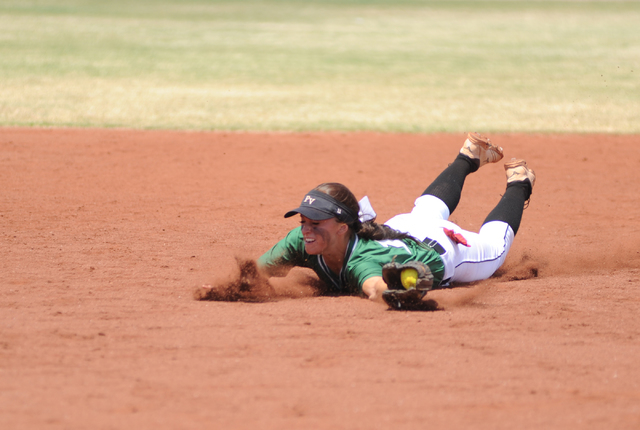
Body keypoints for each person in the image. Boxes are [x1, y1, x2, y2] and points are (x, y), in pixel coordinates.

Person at [257, 133, 535, 303]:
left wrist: (393, 293)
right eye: (303, 221)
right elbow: (257, 272)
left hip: (446, 249)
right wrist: (224, 288)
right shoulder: (300, 239)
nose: (306, 229)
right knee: (427, 209)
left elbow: (374, 287)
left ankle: (520, 181)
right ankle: (468, 156)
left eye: (316, 223)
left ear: (343, 228)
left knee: (495, 248)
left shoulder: (362, 262)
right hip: (400, 229)